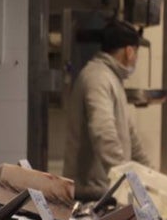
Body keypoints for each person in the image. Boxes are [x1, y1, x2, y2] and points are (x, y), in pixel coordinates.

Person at [64, 19, 153, 200]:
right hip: (92, 194)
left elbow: (131, 138)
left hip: (107, 190)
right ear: (129, 51)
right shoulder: (97, 77)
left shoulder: (112, 78)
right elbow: (103, 133)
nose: (135, 58)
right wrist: (126, 180)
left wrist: (153, 178)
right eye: (136, 53)